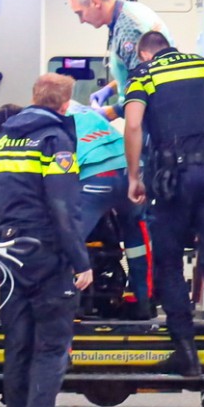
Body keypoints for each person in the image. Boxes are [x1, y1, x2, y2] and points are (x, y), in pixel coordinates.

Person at [0, 73, 93, 407]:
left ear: (33, 96)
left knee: (18, 344)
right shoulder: (54, 142)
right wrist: (80, 261)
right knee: (52, 345)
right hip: (45, 254)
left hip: (8, 253)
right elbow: (63, 208)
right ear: (64, 105)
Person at [122, 31, 204, 386]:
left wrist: (134, 177)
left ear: (146, 54)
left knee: (168, 262)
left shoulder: (144, 76)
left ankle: (187, 353)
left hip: (172, 180)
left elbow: (133, 125)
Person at [67, 100, 151, 314]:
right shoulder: (91, 114)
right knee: (136, 235)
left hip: (96, 177)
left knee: (70, 239)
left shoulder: (57, 118)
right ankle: (142, 302)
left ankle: (71, 304)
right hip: (130, 170)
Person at [67, 0, 170, 118]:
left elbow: (146, 86)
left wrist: (110, 112)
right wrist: (110, 89)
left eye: (80, 13)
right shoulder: (129, 11)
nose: (81, 21)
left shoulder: (130, 30)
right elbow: (134, 71)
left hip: (156, 119)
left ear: (95, 2)